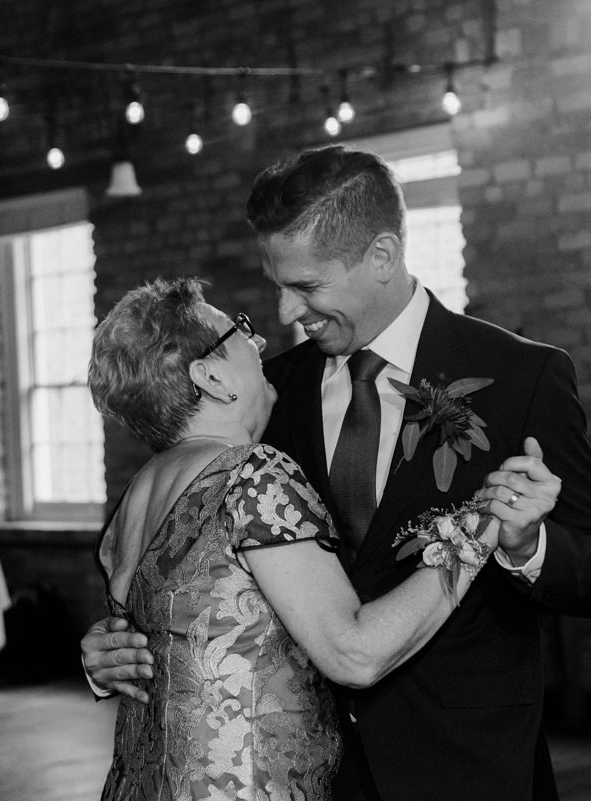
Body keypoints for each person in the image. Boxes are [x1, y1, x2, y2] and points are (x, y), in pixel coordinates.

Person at [83, 145, 591, 800]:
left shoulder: (520, 376)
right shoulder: (266, 393)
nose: (284, 313)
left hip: (469, 766)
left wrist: (525, 544)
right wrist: (114, 645)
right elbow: (170, 547)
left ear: (382, 257)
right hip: (310, 775)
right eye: (277, 284)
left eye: (306, 286)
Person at [87, 276, 504, 801]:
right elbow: (355, 654)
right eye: (237, 331)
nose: (258, 341)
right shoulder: (251, 474)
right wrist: (482, 526)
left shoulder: (139, 491)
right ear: (211, 376)